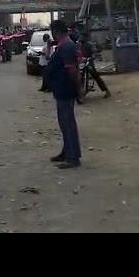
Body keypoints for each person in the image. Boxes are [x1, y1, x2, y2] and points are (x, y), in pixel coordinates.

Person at [48, 20, 83, 169]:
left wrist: (79, 89)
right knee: (64, 123)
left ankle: (73, 157)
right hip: (61, 89)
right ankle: (66, 151)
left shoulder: (67, 46)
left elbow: (72, 70)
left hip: (66, 90)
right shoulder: (63, 45)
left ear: (56, 31)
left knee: (68, 123)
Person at [80, 32, 111, 98]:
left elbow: (94, 52)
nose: (81, 38)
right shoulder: (79, 44)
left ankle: (106, 90)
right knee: (79, 76)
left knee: (95, 75)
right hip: (82, 62)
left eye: (83, 37)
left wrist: (92, 56)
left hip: (89, 62)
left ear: (86, 38)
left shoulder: (89, 44)